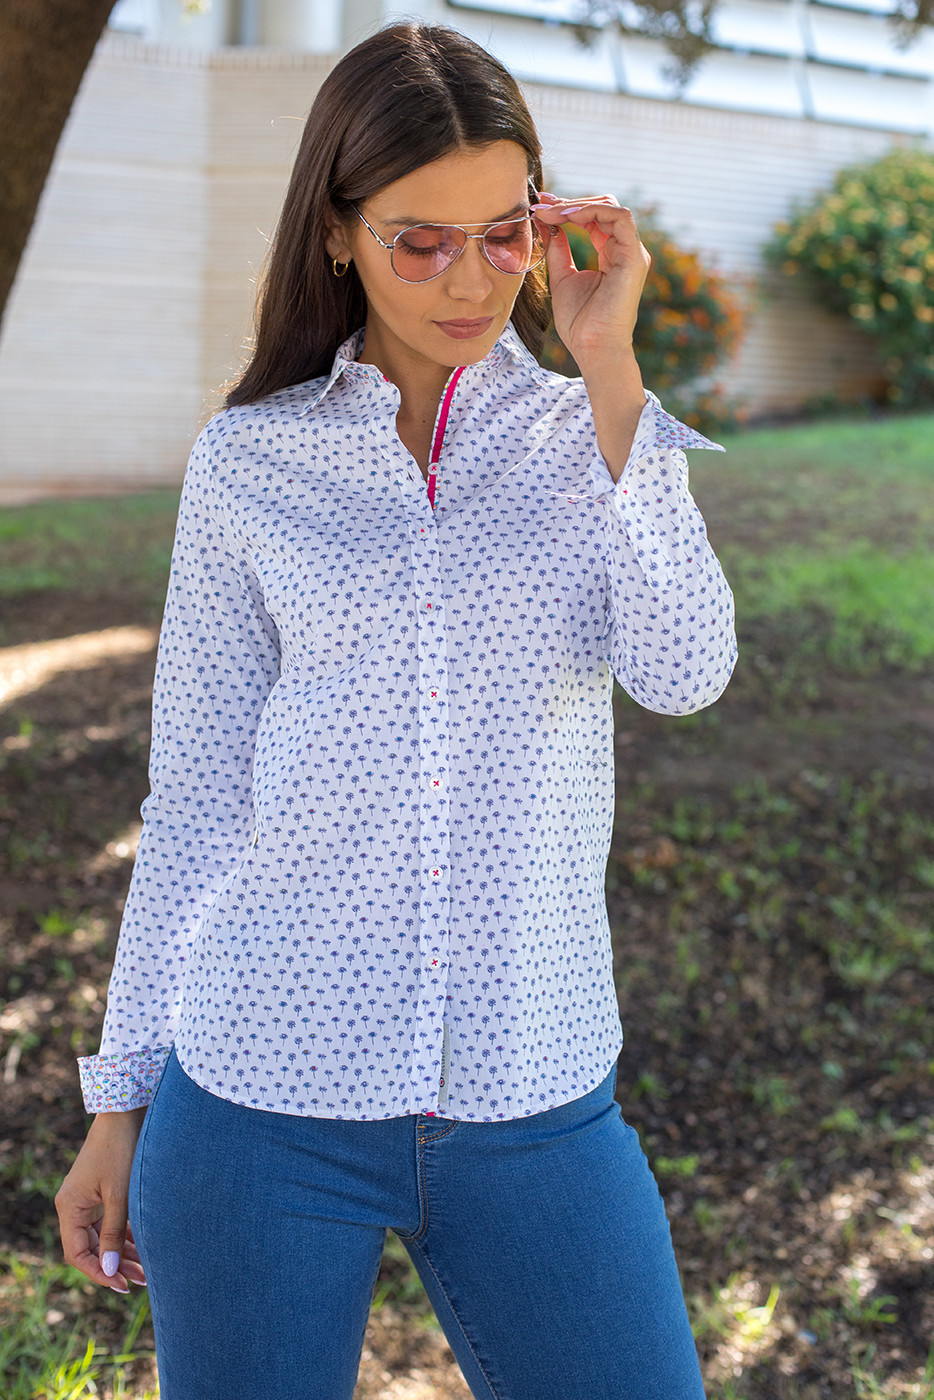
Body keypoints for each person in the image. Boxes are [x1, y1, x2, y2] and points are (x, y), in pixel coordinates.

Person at [55, 19, 737, 1400]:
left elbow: (684, 670)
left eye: (502, 236)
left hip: (532, 1090)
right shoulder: (251, 465)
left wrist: (610, 372)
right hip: (256, 1099)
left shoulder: (584, 440)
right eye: (418, 240)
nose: (468, 280)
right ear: (337, 233)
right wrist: (119, 1097)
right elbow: (193, 798)